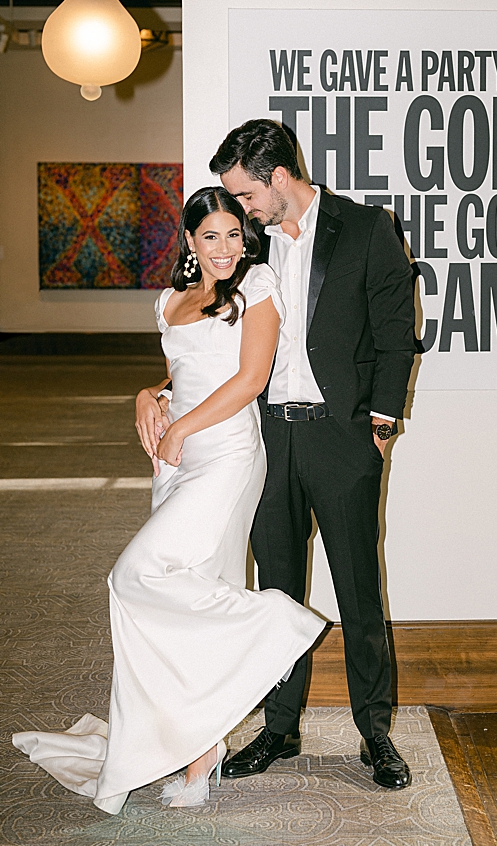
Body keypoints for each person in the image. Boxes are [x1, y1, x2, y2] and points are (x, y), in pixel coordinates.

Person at [13, 188, 326, 812]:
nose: (225, 248)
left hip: (228, 456)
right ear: (189, 241)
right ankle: (200, 751)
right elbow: (184, 373)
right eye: (211, 237)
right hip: (174, 464)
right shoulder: (169, 301)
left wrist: (180, 427)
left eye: (234, 234)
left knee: (132, 575)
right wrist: (148, 394)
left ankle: (278, 623)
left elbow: (249, 379)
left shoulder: (257, 285)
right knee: (184, 602)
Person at [205, 119, 416, 790]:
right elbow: (212, 333)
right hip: (268, 437)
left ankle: (375, 732)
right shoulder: (248, 243)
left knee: (358, 589)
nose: (240, 209)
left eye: (245, 194)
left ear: (279, 177)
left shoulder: (366, 228)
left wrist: (380, 425)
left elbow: (395, 331)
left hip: (341, 437)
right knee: (276, 591)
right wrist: (163, 393)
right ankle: (280, 728)